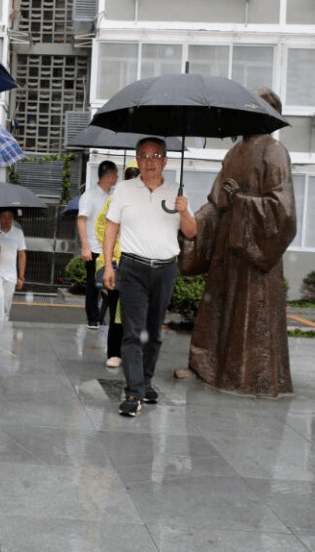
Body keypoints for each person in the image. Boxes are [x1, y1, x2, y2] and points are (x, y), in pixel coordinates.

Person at [186, 88, 297, 397]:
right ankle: (208, 369)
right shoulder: (234, 152)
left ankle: (247, 378)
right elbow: (217, 202)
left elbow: (283, 211)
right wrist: (191, 221)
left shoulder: (274, 152)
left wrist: (243, 203)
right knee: (218, 310)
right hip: (226, 247)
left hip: (254, 253)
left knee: (250, 317)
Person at [103, 137, 196, 417]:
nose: (150, 161)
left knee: (153, 332)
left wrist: (184, 210)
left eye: (156, 155)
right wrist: (109, 265)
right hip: (132, 268)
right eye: (144, 155)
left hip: (166, 270)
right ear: (137, 159)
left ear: (165, 160)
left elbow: (192, 233)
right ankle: (133, 393)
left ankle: (145, 380)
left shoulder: (175, 192)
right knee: (133, 333)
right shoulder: (124, 189)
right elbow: (110, 229)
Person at [96, 162, 140, 368]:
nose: (134, 179)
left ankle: (132, 352)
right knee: (117, 310)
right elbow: (102, 227)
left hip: (141, 265)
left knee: (137, 313)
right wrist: (111, 258)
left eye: (137, 175)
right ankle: (114, 351)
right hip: (119, 264)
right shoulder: (115, 201)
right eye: (130, 175)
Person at [77, 160, 118, 329]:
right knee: (93, 285)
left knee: (111, 285)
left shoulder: (112, 197)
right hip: (94, 248)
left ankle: (102, 317)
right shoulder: (89, 195)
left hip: (111, 249)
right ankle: (93, 318)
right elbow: (81, 220)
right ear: (108, 175)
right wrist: (85, 246)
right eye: (115, 174)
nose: (117, 178)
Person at [0, 208, 26, 320]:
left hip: (11, 276)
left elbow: (21, 255)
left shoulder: (18, 233)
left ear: (12, 219)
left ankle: (3, 329)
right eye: (4, 217)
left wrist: (21, 277)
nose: (6, 220)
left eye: (9, 217)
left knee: (7, 306)